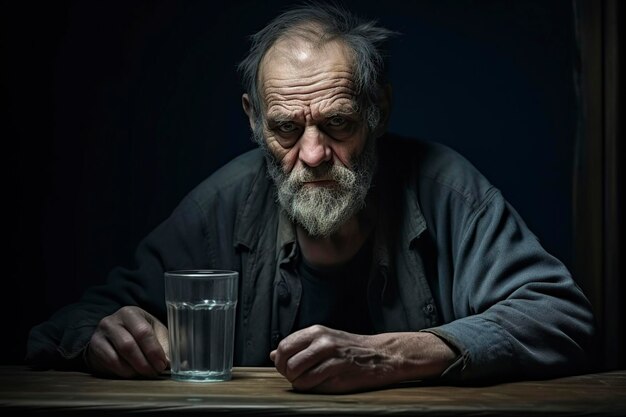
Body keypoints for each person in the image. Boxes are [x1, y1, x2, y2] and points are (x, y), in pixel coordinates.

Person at [26, 3, 596, 393]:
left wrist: (396, 355)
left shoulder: (446, 188)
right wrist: (105, 336)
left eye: (339, 123)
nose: (315, 153)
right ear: (253, 120)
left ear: (379, 109)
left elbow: (562, 317)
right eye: (286, 130)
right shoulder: (221, 205)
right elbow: (68, 324)